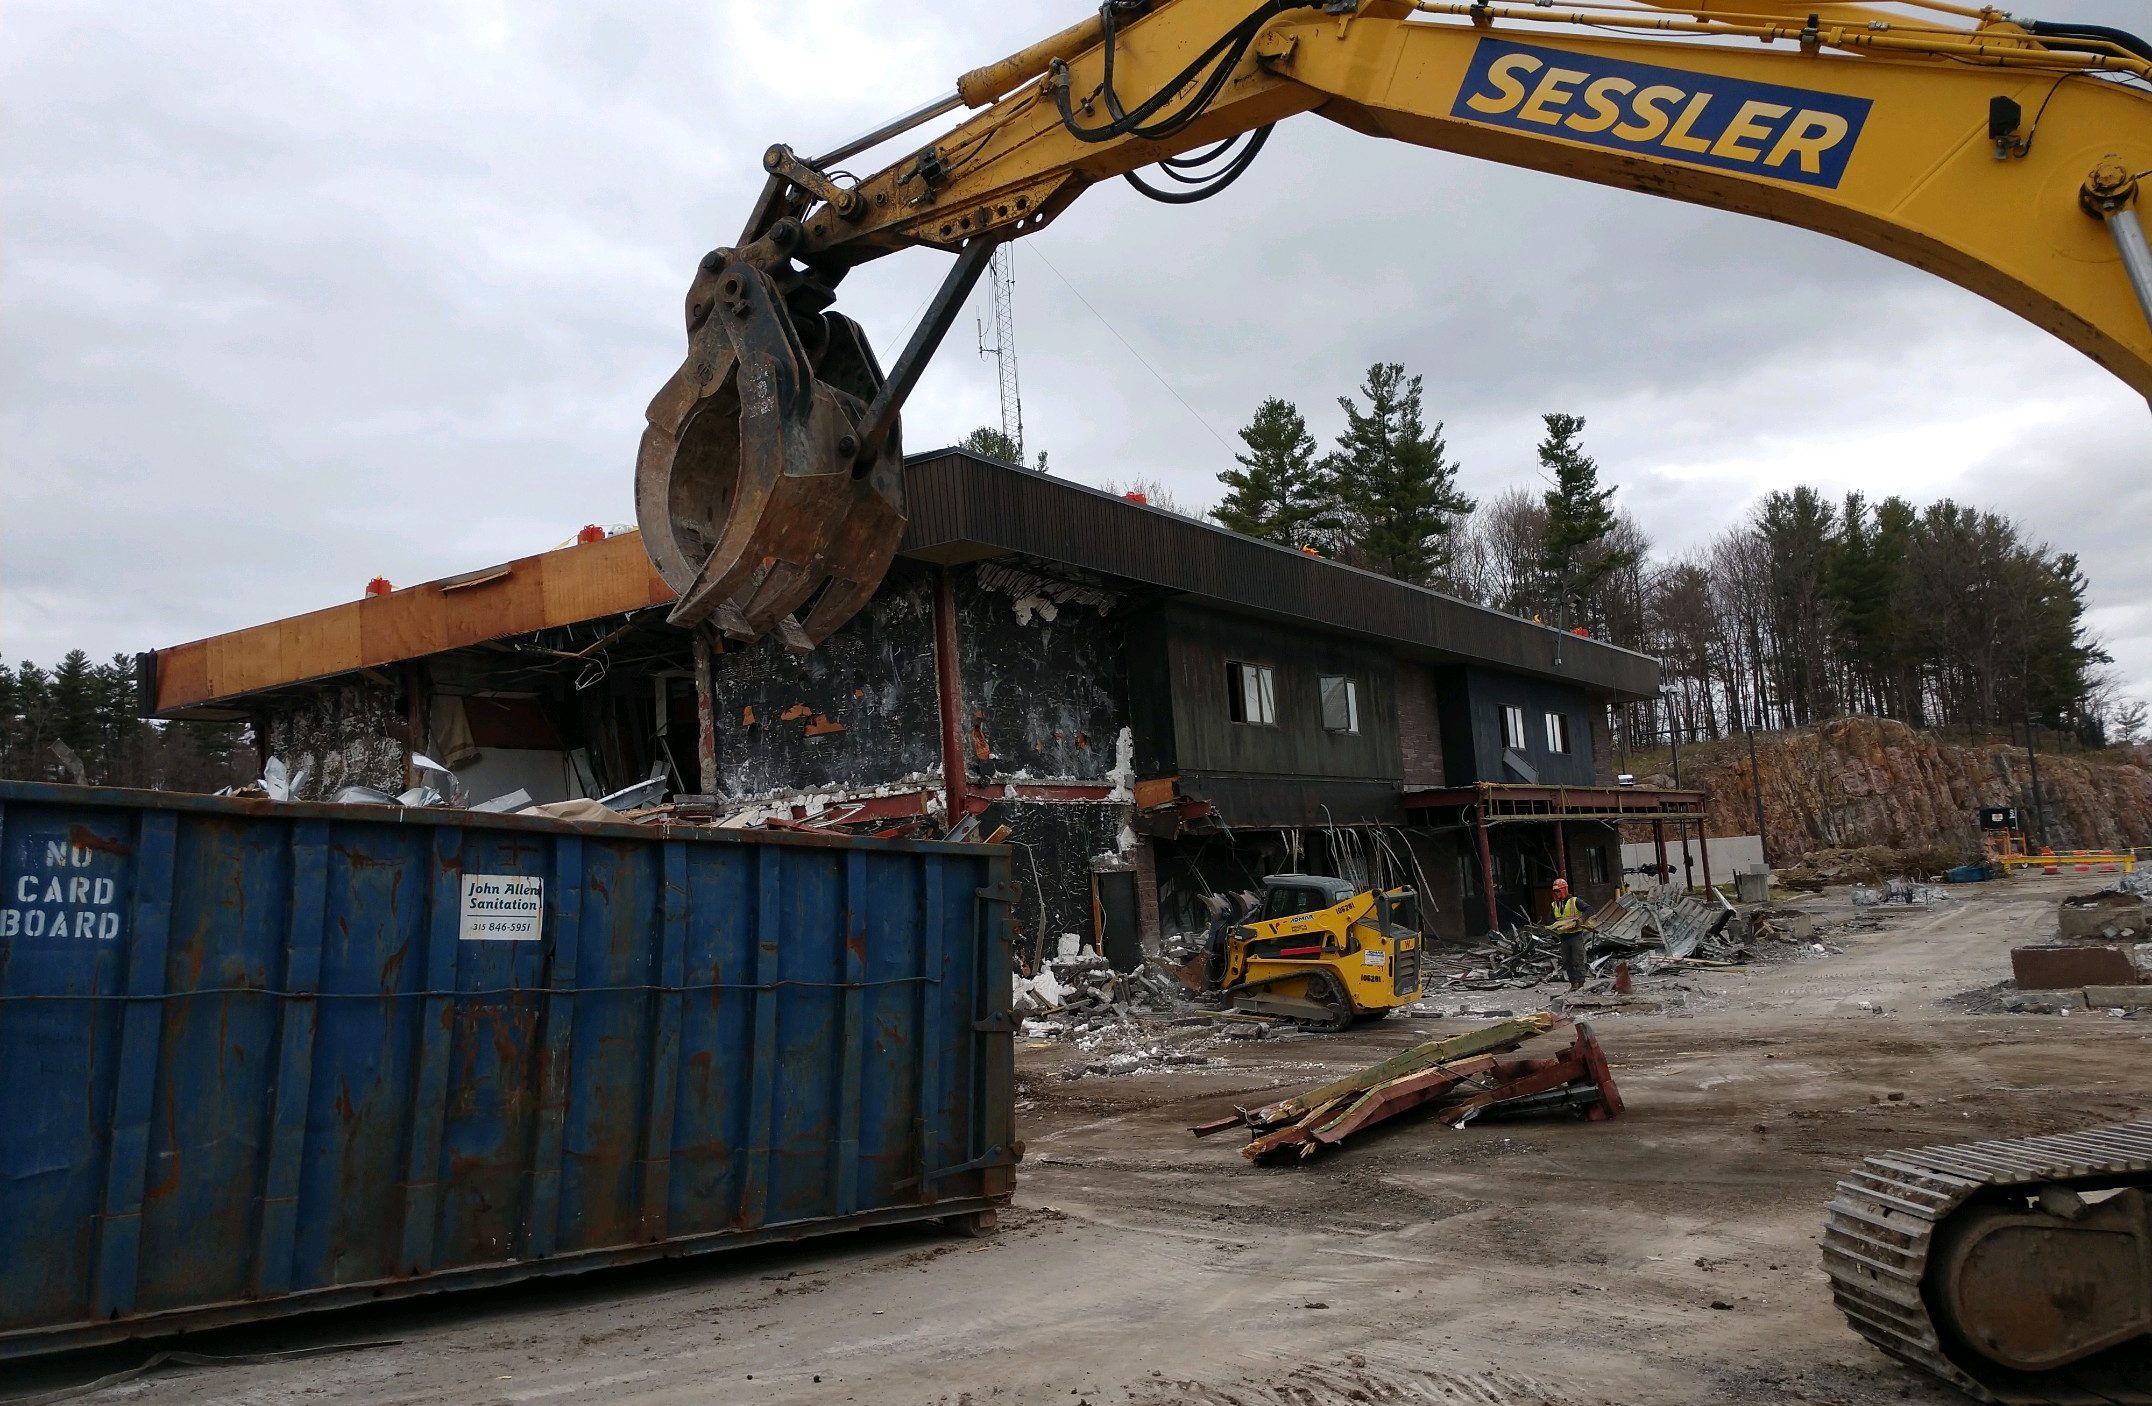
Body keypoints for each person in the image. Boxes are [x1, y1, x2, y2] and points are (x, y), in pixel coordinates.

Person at [1548, 878, 1591, 988]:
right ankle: (1573, 984)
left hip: (1575, 935)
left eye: (1558, 891)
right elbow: (1551, 919)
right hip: (1563, 937)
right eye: (1555, 891)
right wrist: (1554, 927)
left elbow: (1589, 909)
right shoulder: (1555, 905)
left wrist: (1581, 920)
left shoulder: (1575, 901)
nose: (1556, 893)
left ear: (1563, 890)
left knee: (1578, 960)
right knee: (1567, 961)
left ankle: (1580, 984)